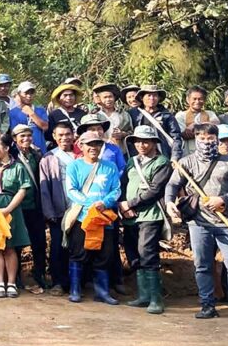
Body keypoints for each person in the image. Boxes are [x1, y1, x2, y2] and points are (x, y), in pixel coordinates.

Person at [166, 122, 228, 323]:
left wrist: (222, 199)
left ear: (217, 140)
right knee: (202, 265)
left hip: (227, 223)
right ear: (195, 139)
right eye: (202, 138)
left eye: (210, 139)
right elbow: (172, 184)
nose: (206, 142)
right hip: (199, 223)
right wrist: (170, 202)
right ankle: (207, 305)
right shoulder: (186, 162)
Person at [64, 130, 123, 305]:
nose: (93, 148)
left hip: (104, 219)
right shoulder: (74, 166)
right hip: (83, 218)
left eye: (97, 144)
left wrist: (105, 202)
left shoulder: (110, 167)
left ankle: (102, 292)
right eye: (89, 144)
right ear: (81, 146)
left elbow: (116, 189)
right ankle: (75, 290)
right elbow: (71, 190)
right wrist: (90, 204)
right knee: (78, 254)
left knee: (104, 255)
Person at [119, 125, 171, 315]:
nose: (141, 145)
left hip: (150, 214)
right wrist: (122, 205)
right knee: (133, 252)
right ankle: (144, 296)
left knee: (147, 252)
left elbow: (156, 190)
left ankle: (156, 299)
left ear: (154, 143)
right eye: (138, 141)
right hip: (130, 216)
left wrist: (131, 204)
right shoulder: (132, 161)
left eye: (146, 141)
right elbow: (123, 184)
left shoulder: (162, 162)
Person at [0, 133, 31, 298]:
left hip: (11, 208)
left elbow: (22, 190)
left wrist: (9, 208)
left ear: (7, 148)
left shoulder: (18, 167)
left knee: (10, 247)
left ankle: (11, 283)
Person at [38, 120, 76, 294]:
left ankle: (77, 283)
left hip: (79, 210)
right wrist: (49, 212)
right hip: (59, 211)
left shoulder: (81, 155)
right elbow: (44, 188)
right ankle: (58, 282)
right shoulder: (49, 158)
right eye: (60, 135)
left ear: (73, 135)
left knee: (78, 247)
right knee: (58, 247)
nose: (64, 138)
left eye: (67, 134)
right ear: (54, 136)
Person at [12, 124, 47, 292]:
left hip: (35, 204)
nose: (26, 139)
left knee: (39, 242)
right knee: (17, 242)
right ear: (15, 139)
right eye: (22, 136)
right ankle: (16, 276)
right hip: (17, 206)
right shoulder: (11, 155)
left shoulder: (36, 154)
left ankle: (39, 274)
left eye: (28, 135)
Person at [129, 85, 183, 160]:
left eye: (155, 96)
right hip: (140, 156)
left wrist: (175, 157)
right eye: (149, 95)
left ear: (159, 98)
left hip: (162, 155)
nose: (152, 98)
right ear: (142, 97)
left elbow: (176, 137)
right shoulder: (134, 114)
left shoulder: (166, 115)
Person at [176, 86, 219, 155]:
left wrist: (194, 125)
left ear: (204, 100)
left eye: (200, 99)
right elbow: (184, 134)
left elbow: (216, 127)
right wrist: (206, 128)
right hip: (187, 154)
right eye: (194, 99)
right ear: (187, 99)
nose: (197, 101)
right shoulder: (181, 115)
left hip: (209, 152)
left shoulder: (210, 114)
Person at [8, 81, 49, 151]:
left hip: (40, 149)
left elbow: (45, 127)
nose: (29, 96)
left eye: (31, 93)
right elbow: (15, 133)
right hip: (22, 150)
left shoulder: (40, 110)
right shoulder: (13, 112)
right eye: (26, 93)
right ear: (19, 94)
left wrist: (32, 113)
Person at [92, 83, 132, 152]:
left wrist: (123, 134)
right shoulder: (95, 116)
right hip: (102, 152)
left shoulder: (124, 114)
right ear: (100, 99)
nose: (108, 99)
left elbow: (132, 132)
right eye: (105, 97)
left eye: (110, 97)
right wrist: (105, 140)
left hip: (121, 151)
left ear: (114, 98)